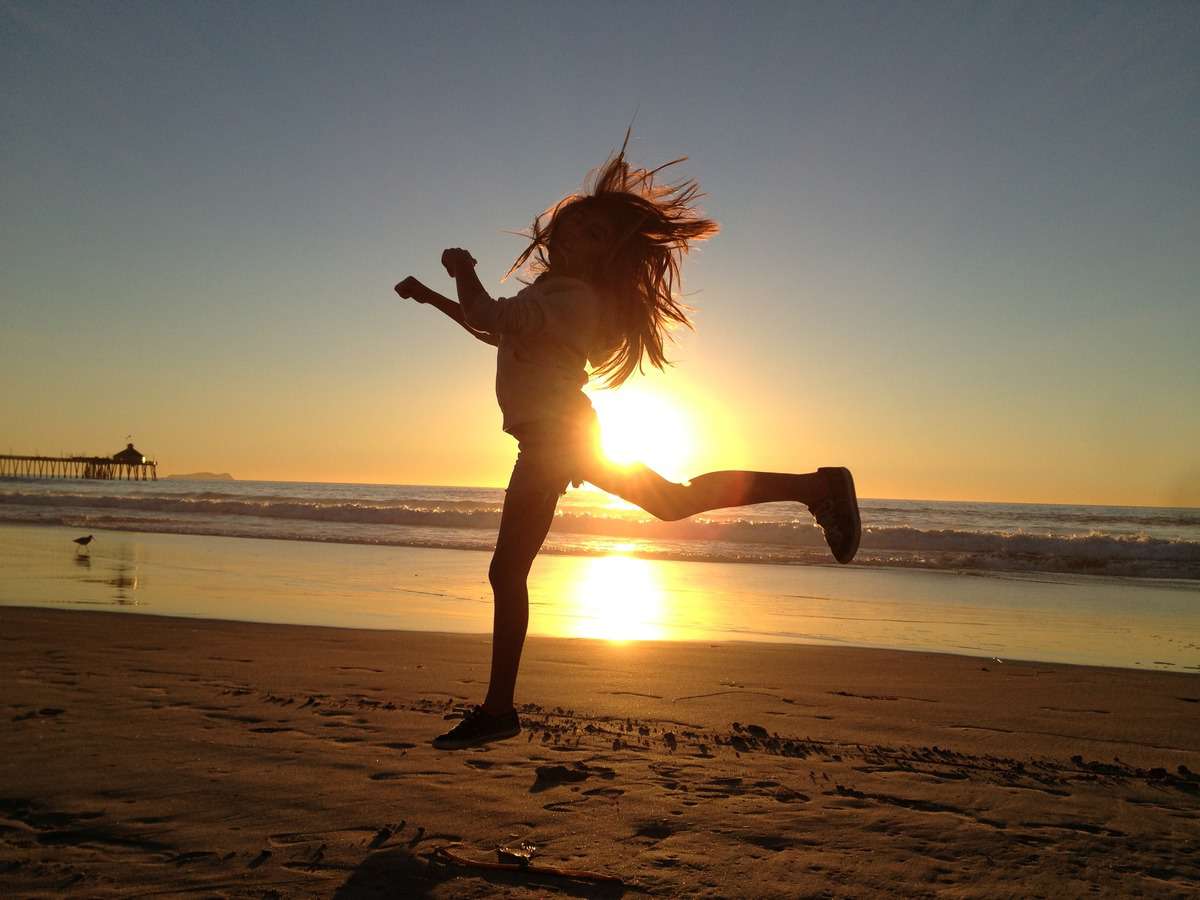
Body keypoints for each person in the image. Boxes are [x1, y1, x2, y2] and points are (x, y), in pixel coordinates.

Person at [394, 138, 860, 750]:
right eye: (573, 225)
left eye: (593, 234)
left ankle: (500, 710)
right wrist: (435, 298)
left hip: (554, 441)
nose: (574, 235)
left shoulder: (572, 299)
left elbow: (489, 316)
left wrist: (462, 272)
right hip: (558, 437)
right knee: (667, 502)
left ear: (607, 256)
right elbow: (495, 331)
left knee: (512, 569)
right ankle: (814, 487)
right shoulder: (551, 296)